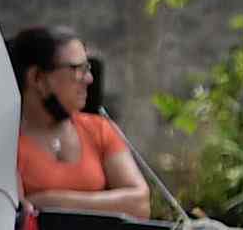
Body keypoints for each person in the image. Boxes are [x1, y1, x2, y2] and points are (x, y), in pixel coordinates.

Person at [11, 24, 153, 218]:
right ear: (37, 78)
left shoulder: (100, 129)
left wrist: (52, 202)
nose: (88, 79)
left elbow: (140, 203)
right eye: (77, 69)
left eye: (88, 68)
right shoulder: (8, 143)